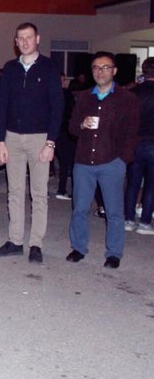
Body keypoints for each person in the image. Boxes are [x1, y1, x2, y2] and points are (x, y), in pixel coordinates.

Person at [0, 23, 63, 263]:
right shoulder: (10, 68)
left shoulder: (49, 67)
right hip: (12, 137)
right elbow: (2, 105)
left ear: (37, 39)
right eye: (20, 38)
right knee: (14, 192)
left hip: (39, 138)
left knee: (39, 193)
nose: (24, 42)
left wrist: (51, 142)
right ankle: (15, 241)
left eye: (29, 37)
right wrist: (0, 141)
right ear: (16, 42)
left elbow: (57, 106)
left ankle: (36, 244)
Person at [66, 52, 139, 269]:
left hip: (111, 162)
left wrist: (122, 160)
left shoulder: (127, 99)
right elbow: (71, 127)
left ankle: (114, 253)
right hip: (84, 162)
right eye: (96, 68)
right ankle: (78, 247)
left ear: (114, 71)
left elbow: (132, 133)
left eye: (105, 67)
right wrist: (81, 124)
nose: (100, 72)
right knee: (80, 208)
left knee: (114, 211)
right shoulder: (84, 96)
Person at [124, 57, 154, 233]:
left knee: (133, 183)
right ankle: (144, 222)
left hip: (135, 142)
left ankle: (128, 219)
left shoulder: (133, 93)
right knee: (151, 184)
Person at [55, 72, 77, 200]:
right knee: (69, 162)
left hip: (54, 131)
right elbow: (72, 112)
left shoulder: (48, 94)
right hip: (65, 131)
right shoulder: (66, 94)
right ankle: (63, 189)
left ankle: (60, 189)